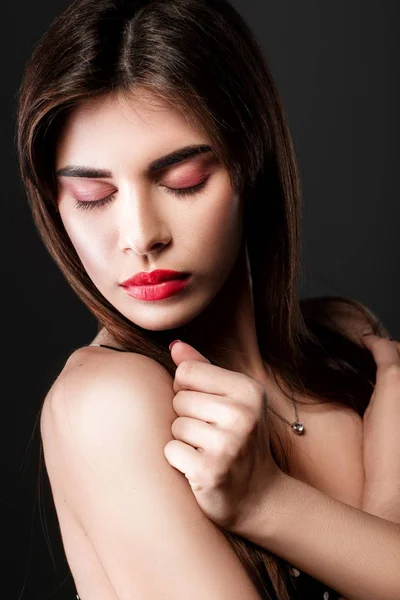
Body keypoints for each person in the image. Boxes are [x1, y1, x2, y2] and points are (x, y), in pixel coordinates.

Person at [15, 0, 400, 599]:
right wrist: (288, 503)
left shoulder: (349, 346)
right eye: (92, 195)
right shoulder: (109, 405)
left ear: (252, 160)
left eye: (183, 181)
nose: (141, 236)